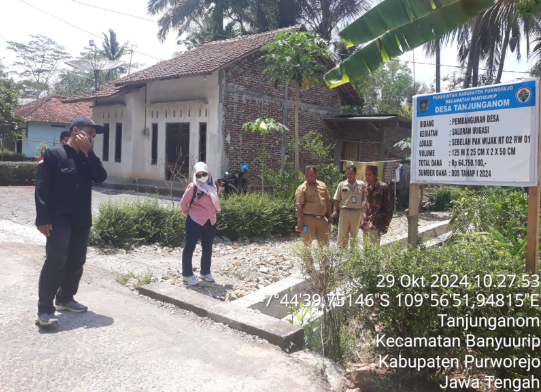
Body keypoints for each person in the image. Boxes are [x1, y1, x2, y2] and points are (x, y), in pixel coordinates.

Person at [35, 117, 107, 326]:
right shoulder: (53, 154)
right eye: (89, 133)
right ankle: (45, 310)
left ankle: (65, 298)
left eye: (94, 135)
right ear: (75, 131)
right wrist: (42, 217)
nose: (92, 138)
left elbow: (101, 176)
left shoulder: (88, 158)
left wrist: (89, 153)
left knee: (76, 261)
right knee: (56, 260)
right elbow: (42, 186)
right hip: (58, 219)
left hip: (81, 218)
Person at [180, 162, 221, 286]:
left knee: (208, 247)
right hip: (195, 220)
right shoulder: (193, 187)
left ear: (208, 173)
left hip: (211, 220)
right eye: (199, 175)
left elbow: (215, 200)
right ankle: (187, 275)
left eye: (204, 174)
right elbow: (183, 203)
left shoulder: (214, 185)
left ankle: (205, 272)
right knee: (190, 247)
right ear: (195, 176)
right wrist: (190, 214)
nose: (202, 177)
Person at [295, 165, 334, 246]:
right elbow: (299, 206)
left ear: (316, 174)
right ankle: (307, 259)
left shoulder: (323, 185)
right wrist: (300, 221)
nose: (309, 178)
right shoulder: (302, 188)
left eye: (311, 175)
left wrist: (330, 215)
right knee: (307, 244)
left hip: (322, 219)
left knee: (325, 245)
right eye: (307, 176)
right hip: (308, 219)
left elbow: (327, 202)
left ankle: (324, 259)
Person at [333, 165, 365, 247]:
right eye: (347, 173)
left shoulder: (361, 184)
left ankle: (353, 252)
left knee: (355, 233)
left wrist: (365, 211)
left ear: (355, 174)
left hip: (357, 212)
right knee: (342, 232)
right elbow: (337, 199)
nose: (349, 175)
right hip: (345, 211)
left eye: (351, 173)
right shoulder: (342, 184)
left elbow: (365, 198)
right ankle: (341, 250)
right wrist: (335, 210)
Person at [361, 164, 393, 245]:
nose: (367, 177)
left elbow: (389, 208)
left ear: (376, 175)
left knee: (373, 250)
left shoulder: (383, 187)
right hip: (365, 224)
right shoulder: (365, 186)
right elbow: (363, 203)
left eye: (369, 174)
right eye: (366, 174)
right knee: (366, 249)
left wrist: (386, 226)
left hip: (376, 224)